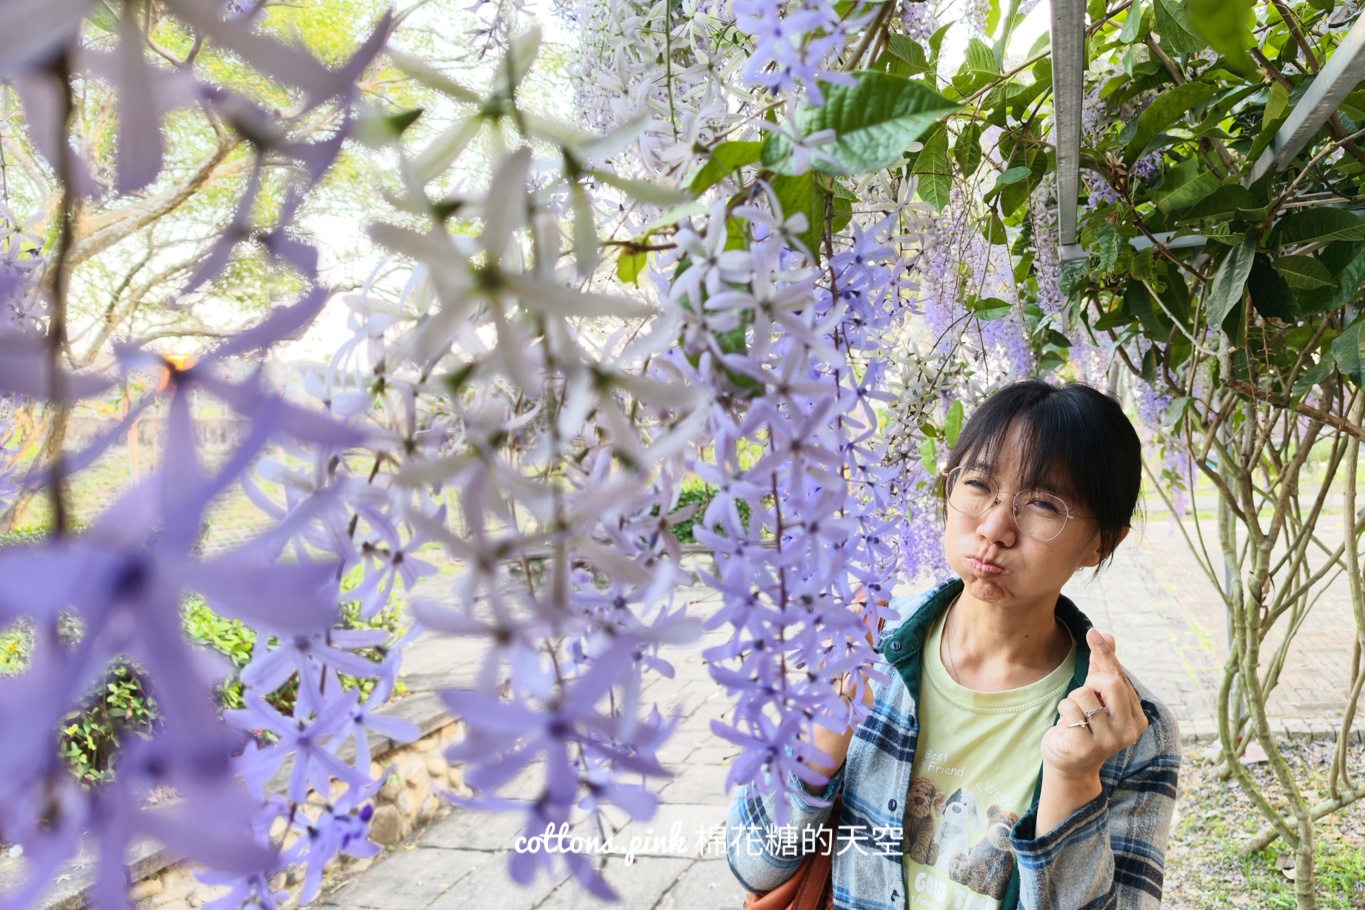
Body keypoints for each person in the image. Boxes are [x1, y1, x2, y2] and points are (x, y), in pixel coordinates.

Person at [726, 380, 1181, 910]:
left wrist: (1074, 779)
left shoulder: (1133, 733)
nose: (994, 528)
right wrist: (825, 737)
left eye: (1043, 503)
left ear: (1102, 541)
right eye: (978, 484)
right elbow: (752, 861)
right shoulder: (861, 649)